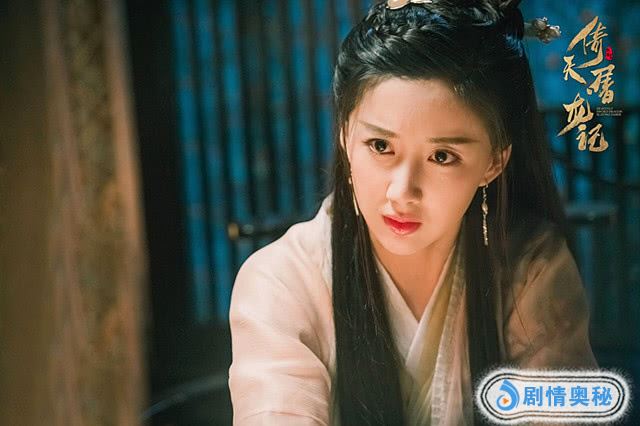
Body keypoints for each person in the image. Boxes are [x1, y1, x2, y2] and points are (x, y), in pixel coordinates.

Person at [227, 0, 598, 424]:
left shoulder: (530, 269)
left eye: (442, 156)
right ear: (346, 137)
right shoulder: (281, 281)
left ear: (494, 162)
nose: (402, 193)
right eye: (380, 146)